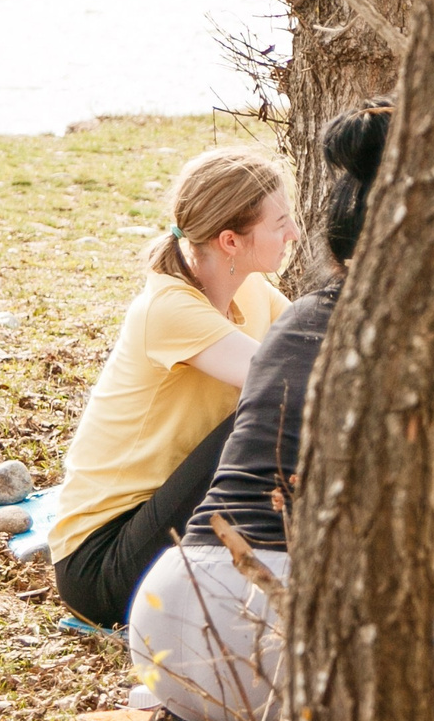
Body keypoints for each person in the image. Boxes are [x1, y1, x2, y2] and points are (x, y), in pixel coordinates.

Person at [128, 100, 434, 721]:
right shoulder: (424, 349)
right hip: (276, 620)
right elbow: (421, 583)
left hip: (164, 617)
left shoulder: (291, 319)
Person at [50, 147, 298, 628]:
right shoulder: (167, 310)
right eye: (280, 222)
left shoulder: (252, 290)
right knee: (277, 412)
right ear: (230, 240)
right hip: (102, 562)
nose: (293, 233)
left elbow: (332, 360)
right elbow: (305, 384)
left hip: (171, 525)